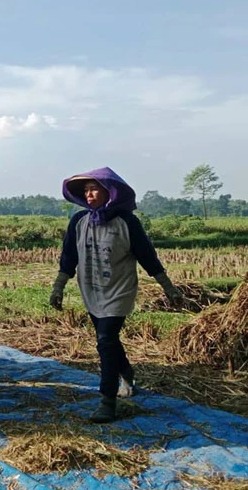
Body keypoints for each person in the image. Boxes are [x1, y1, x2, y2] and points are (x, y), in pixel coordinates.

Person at [49, 167, 183, 423]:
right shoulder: (79, 222)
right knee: (107, 340)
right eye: (86, 190)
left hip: (119, 290)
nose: (89, 194)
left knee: (105, 340)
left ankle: (107, 400)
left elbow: (147, 256)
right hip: (91, 290)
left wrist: (168, 287)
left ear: (109, 192)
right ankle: (126, 372)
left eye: (94, 189)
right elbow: (69, 257)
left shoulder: (127, 222)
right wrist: (58, 287)